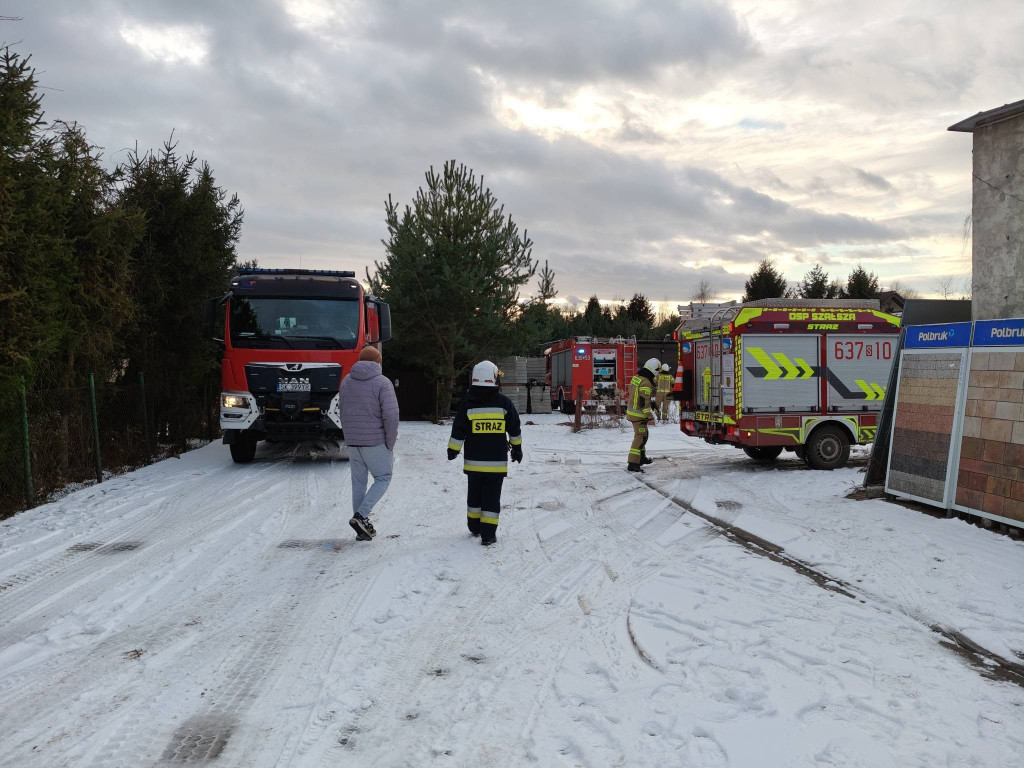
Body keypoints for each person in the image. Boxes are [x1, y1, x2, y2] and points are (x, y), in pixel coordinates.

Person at [447, 360, 522, 546]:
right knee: (491, 498)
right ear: (494, 379)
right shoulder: (504, 404)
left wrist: (453, 450)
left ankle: (474, 527)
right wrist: (517, 448)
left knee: (474, 494)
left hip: (473, 463)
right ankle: (488, 535)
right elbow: (514, 428)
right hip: (496, 464)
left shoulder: (467, 405)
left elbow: (458, 430)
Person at [339, 345, 399, 541]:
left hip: (353, 442)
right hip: (375, 441)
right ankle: (361, 516)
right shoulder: (383, 383)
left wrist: (348, 436)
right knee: (383, 477)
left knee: (358, 482)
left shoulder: (346, 381)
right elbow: (391, 415)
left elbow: (342, 411)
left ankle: (360, 526)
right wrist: (390, 442)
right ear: (378, 361)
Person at [626, 358, 660, 472]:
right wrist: (650, 417)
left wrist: (652, 403)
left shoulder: (636, 378)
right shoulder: (646, 382)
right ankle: (633, 463)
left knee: (643, 435)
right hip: (639, 415)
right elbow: (643, 403)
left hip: (632, 412)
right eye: (657, 372)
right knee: (640, 437)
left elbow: (637, 396)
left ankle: (641, 458)